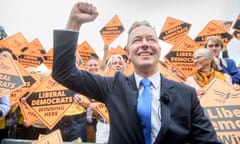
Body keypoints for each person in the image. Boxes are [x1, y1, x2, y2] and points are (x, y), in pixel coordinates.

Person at [52, 2, 221, 144]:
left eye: (151, 39)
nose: (145, 44)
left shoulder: (187, 95)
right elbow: (64, 72)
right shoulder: (113, 86)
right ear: (128, 53)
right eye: (137, 40)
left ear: (159, 49)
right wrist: (74, 23)